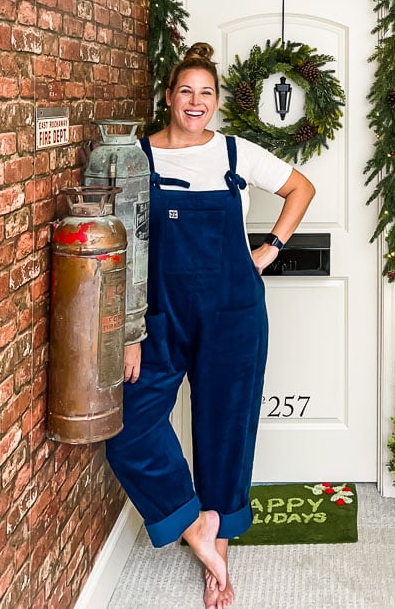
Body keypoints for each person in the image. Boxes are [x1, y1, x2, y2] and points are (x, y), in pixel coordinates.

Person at [106, 43, 315, 609]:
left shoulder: (233, 152)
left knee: (227, 427)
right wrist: (128, 332)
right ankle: (191, 522)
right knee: (127, 427)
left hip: (233, 309)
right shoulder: (136, 157)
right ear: (169, 98)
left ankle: (218, 547)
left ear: (216, 102)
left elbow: (302, 189)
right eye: (185, 92)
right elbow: (122, 246)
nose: (195, 102)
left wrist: (270, 247)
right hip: (157, 315)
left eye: (206, 93)